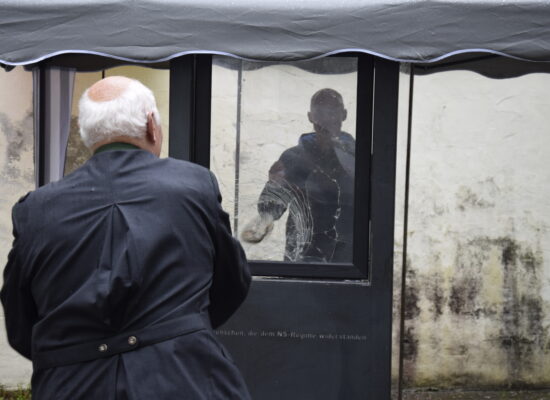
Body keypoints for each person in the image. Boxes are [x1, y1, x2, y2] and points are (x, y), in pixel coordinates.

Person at [0, 76, 252, 400]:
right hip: (184, 378)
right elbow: (232, 283)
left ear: (87, 134)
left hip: (71, 385)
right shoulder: (194, 185)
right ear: (151, 125)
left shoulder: (37, 208)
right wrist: (179, 333)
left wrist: (74, 353)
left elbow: (20, 320)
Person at [242, 88, 355, 263]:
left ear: (344, 114)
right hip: (301, 258)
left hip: (351, 262)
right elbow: (271, 208)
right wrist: (274, 187)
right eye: (320, 113)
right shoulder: (293, 158)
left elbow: (376, 208)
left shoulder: (357, 160)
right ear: (311, 116)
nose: (326, 119)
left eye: (332, 112)